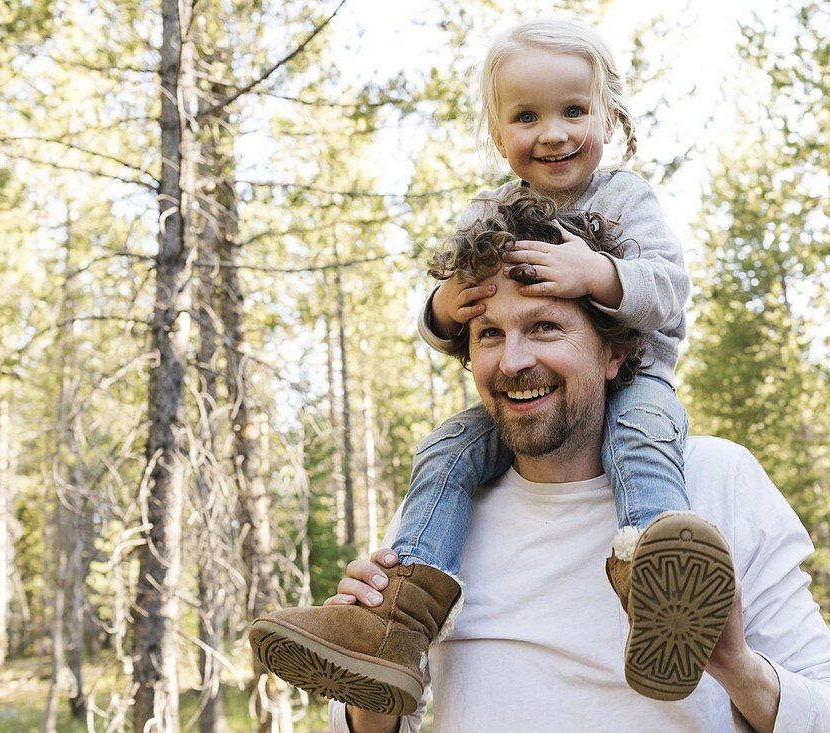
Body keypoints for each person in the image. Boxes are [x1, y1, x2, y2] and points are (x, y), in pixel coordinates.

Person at [252, 16, 736, 713]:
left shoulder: (627, 200)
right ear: (497, 129)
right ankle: (394, 625)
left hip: (635, 382)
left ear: (610, 115)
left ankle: (660, 583)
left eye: (574, 110)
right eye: (527, 115)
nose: (554, 132)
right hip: (538, 405)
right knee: (448, 447)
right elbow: (458, 313)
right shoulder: (492, 211)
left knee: (641, 438)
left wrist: (595, 271)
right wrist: (447, 306)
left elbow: (668, 290)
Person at [320, 197, 830, 732]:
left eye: (545, 327)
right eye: (490, 334)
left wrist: (736, 664)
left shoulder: (717, 481)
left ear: (616, 351)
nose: (513, 361)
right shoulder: (438, 512)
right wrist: (369, 674)